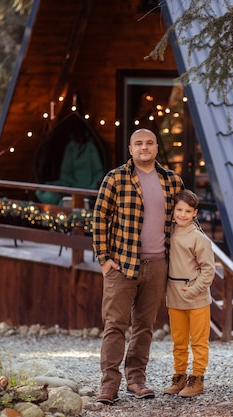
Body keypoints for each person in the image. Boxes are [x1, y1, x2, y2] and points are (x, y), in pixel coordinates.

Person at [92, 128, 184, 404]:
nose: (144, 148)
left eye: (149, 143)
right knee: (115, 326)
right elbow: (98, 219)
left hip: (157, 265)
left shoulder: (172, 181)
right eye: (139, 144)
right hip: (122, 265)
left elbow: (185, 220)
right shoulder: (116, 178)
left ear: (156, 147)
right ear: (130, 149)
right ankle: (109, 386)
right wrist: (105, 260)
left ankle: (136, 380)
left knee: (145, 326)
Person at [163, 189, 215, 398]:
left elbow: (209, 270)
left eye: (187, 211)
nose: (182, 214)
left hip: (197, 299)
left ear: (195, 213)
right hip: (174, 297)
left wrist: (194, 289)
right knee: (179, 341)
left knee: (199, 342)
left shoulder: (199, 239)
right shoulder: (169, 232)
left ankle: (197, 379)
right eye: (179, 210)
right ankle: (180, 377)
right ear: (173, 210)